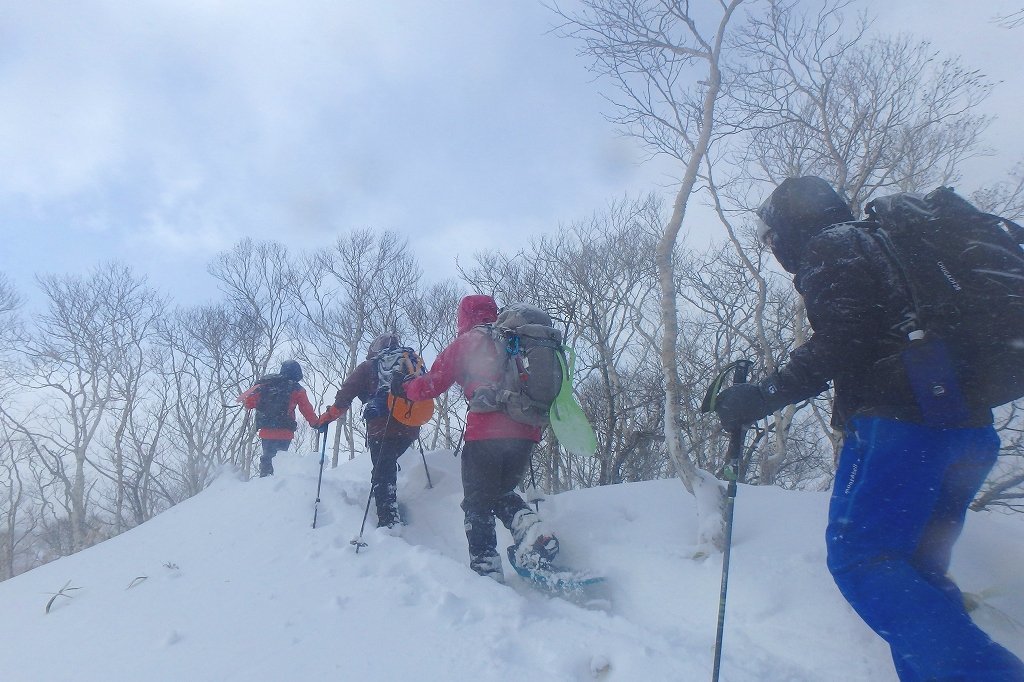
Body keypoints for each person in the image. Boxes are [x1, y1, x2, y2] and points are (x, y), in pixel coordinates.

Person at [712, 176, 1024, 681]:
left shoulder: (835, 246)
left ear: (792, 225)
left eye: (772, 238)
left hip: (902, 427)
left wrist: (762, 396)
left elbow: (841, 342)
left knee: (863, 559)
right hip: (967, 428)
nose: (772, 250)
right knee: (917, 571)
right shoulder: (893, 243)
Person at [395, 294, 559, 582]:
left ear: (464, 317)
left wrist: (406, 387)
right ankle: (531, 528)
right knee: (501, 494)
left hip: (486, 434)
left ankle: (486, 571)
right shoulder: (515, 341)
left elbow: (432, 384)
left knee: (477, 504)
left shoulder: (469, 342)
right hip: (526, 431)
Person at [315, 334, 420, 532]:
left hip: (381, 426)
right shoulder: (410, 361)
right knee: (385, 464)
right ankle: (384, 492)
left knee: (384, 470)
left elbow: (345, 395)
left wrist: (327, 417)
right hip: (410, 426)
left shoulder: (369, 367)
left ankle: (388, 521)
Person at [240, 360, 318, 478]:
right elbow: (306, 409)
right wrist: (316, 423)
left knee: (267, 459)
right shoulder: (297, 388)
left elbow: (248, 403)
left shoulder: (265, 384)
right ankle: (277, 487)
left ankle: (264, 483)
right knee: (279, 461)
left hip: (266, 431)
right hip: (285, 432)